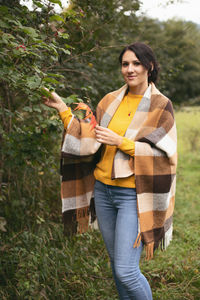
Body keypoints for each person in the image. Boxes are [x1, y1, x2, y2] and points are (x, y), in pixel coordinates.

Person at [43, 42, 177, 300]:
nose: (130, 69)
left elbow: (164, 154)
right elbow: (89, 138)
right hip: (104, 192)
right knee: (117, 267)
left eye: (136, 63)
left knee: (127, 271)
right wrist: (62, 109)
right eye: (125, 64)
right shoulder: (110, 101)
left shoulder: (161, 106)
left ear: (149, 66)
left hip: (133, 196)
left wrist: (121, 142)